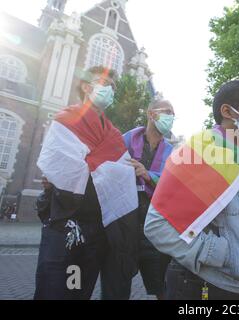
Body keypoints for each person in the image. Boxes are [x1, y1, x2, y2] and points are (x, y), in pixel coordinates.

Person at [145, 80, 239, 300]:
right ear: (227, 111)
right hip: (206, 286)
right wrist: (221, 254)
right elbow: (158, 226)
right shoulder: (198, 152)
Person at [34, 66, 138, 300]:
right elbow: (60, 166)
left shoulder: (113, 134)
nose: (110, 89)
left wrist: (95, 165)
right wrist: (101, 168)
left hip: (95, 230)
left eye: (113, 86)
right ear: (85, 86)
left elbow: (119, 179)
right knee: (53, 289)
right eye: (104, 83)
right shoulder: (65, 120)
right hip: (64, 224)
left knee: (78, 290)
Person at [100, 100, 175, 300]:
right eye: (167, 112)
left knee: (164, 289)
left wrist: (148, 175)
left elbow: (174, 186)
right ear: (151, 114)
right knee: (115, 289)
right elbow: (105, 173)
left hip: (154, 228)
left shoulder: (171, 151)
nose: (171, 117)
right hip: (123, 227)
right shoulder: (126, 140)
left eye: (173, 114)